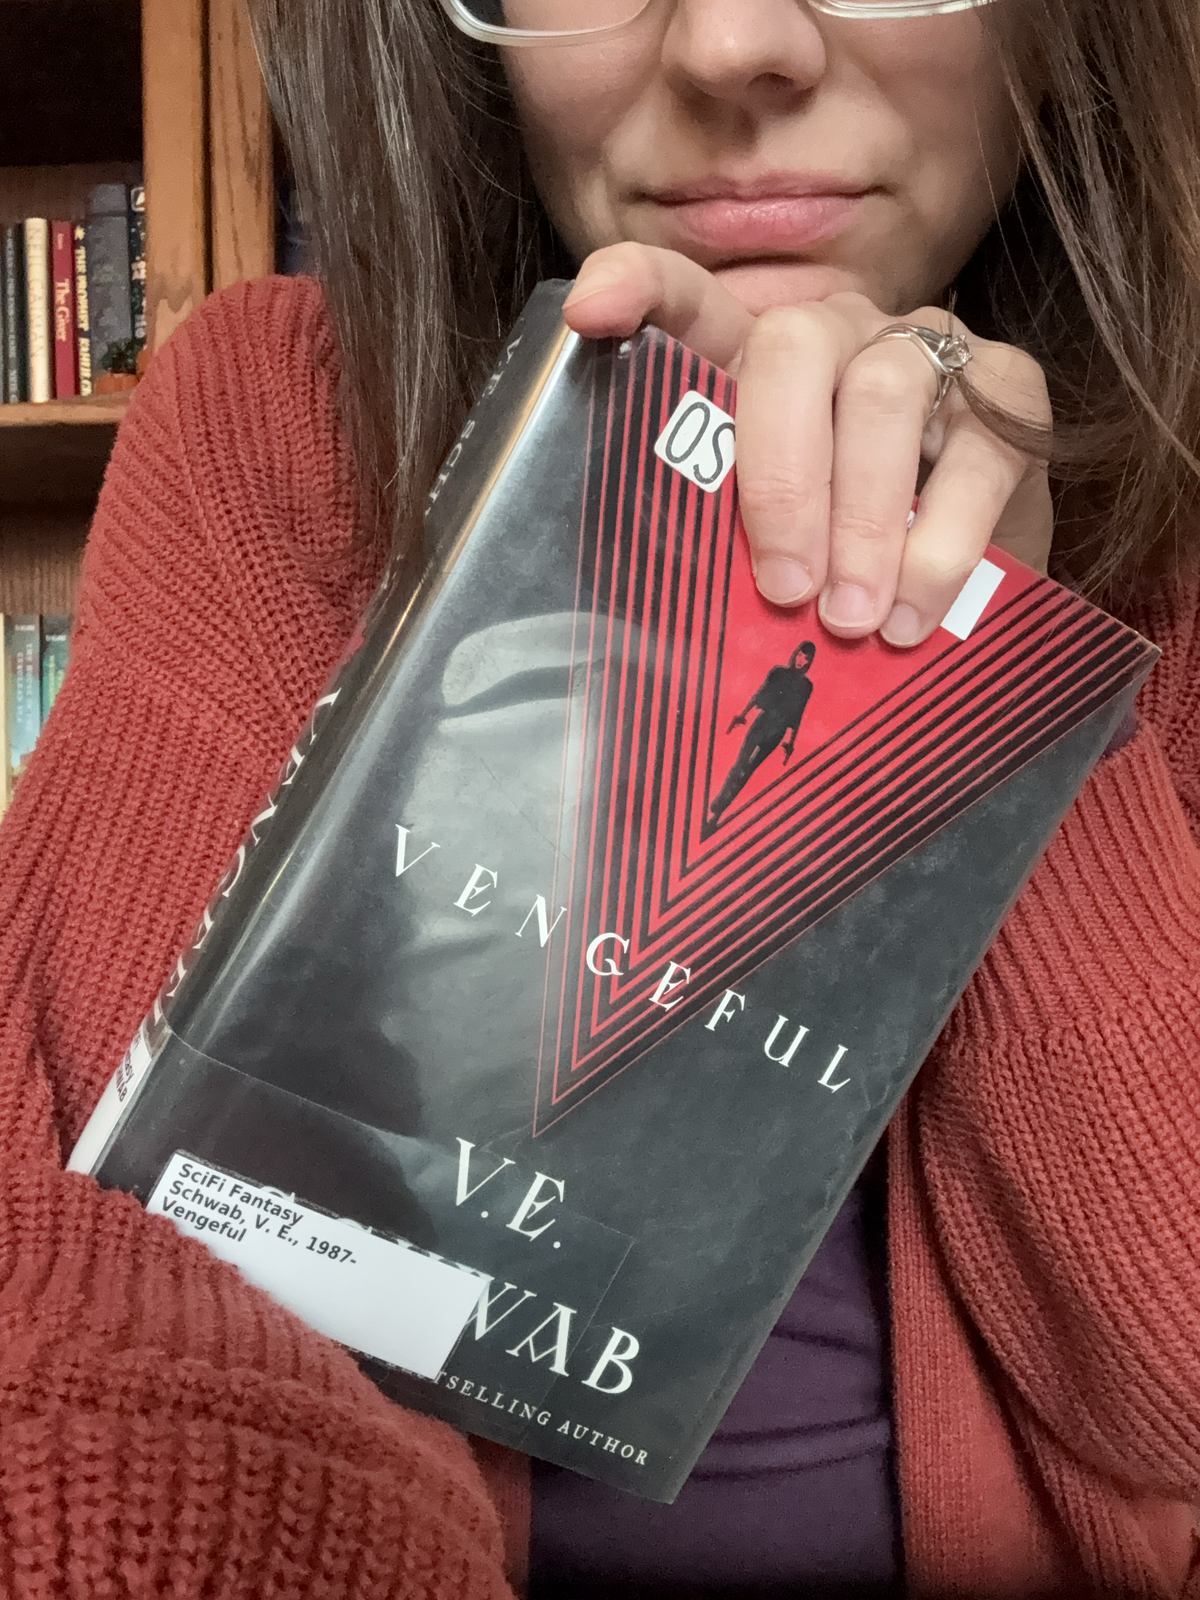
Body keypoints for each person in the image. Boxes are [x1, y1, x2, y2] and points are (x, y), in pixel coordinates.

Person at [1, 0, 1198, 1594]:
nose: (732, 47)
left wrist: (1004, 686)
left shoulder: (1178, 542)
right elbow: (139, 1289)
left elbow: (1167, 1392)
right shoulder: (270, 424)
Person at [710, 641, 817, 821]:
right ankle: (720, 801)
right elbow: (760, 693)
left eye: (806, 659)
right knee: (740, 764)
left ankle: (719, 811)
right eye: (799, 655)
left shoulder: (806, 686)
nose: (801, 660)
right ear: (795, 653)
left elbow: (799, 714)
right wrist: (743, 714)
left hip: (778, 731)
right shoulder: (778, 672)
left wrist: (791, 742)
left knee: (749, 770)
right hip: (762, 723)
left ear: (809, 662)